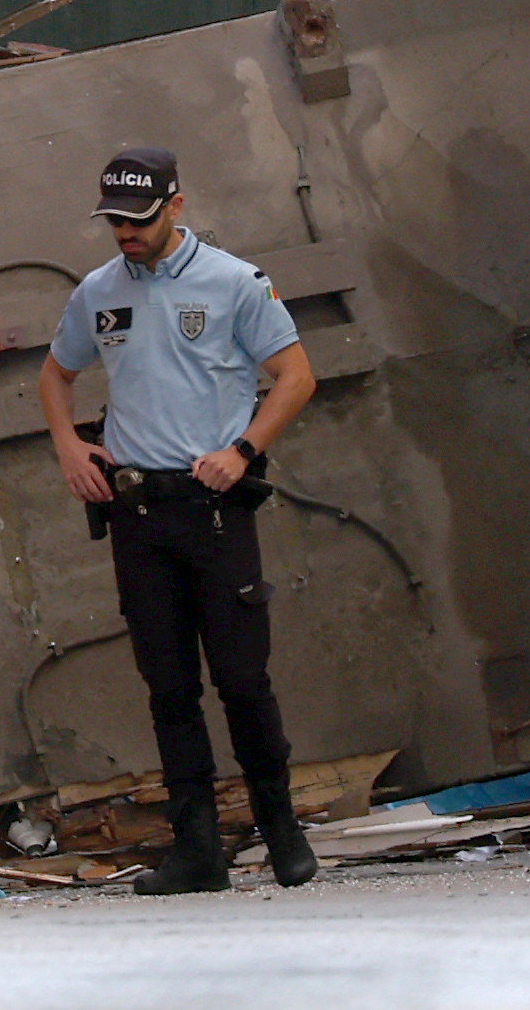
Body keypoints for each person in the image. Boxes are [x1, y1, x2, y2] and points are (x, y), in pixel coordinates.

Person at [39, 146, 320, 893]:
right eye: (115, 222)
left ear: (176, 207)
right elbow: (56, 372)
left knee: (241, 678)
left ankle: (281, 830)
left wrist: (244, 448)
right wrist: (70, 443)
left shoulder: (234, 283)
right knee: (168, 686)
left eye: (139, 220)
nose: (125, 234)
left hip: (214, 511)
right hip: (138, 514)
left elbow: (296, 376)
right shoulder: (99, 291)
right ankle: (197, 849)